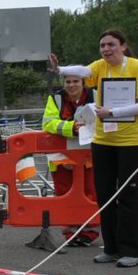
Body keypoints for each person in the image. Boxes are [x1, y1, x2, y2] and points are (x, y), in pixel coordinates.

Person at [50, 29, 138, 268]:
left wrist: (114, 113)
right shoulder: (99, 67)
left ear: (123, 46)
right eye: (102, 46)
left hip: (131, 141)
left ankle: (131, 250)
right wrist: (59, 70)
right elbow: (82, 71)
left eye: (111, 45)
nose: (106, 49)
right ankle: (111, 248)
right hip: (103, 141)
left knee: (128, 195)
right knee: (105, 195)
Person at [40, 72, 99, 247]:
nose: (71, 85)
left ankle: (89, 232)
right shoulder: (56, 98)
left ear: (83, 82)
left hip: (91, 154)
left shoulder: (96, 95)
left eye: (75, 81)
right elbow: (48, 123)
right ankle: (70, 233)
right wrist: (71, 127)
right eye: (68, 81)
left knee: (92, 193)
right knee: (65, 193)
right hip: (61, 156)